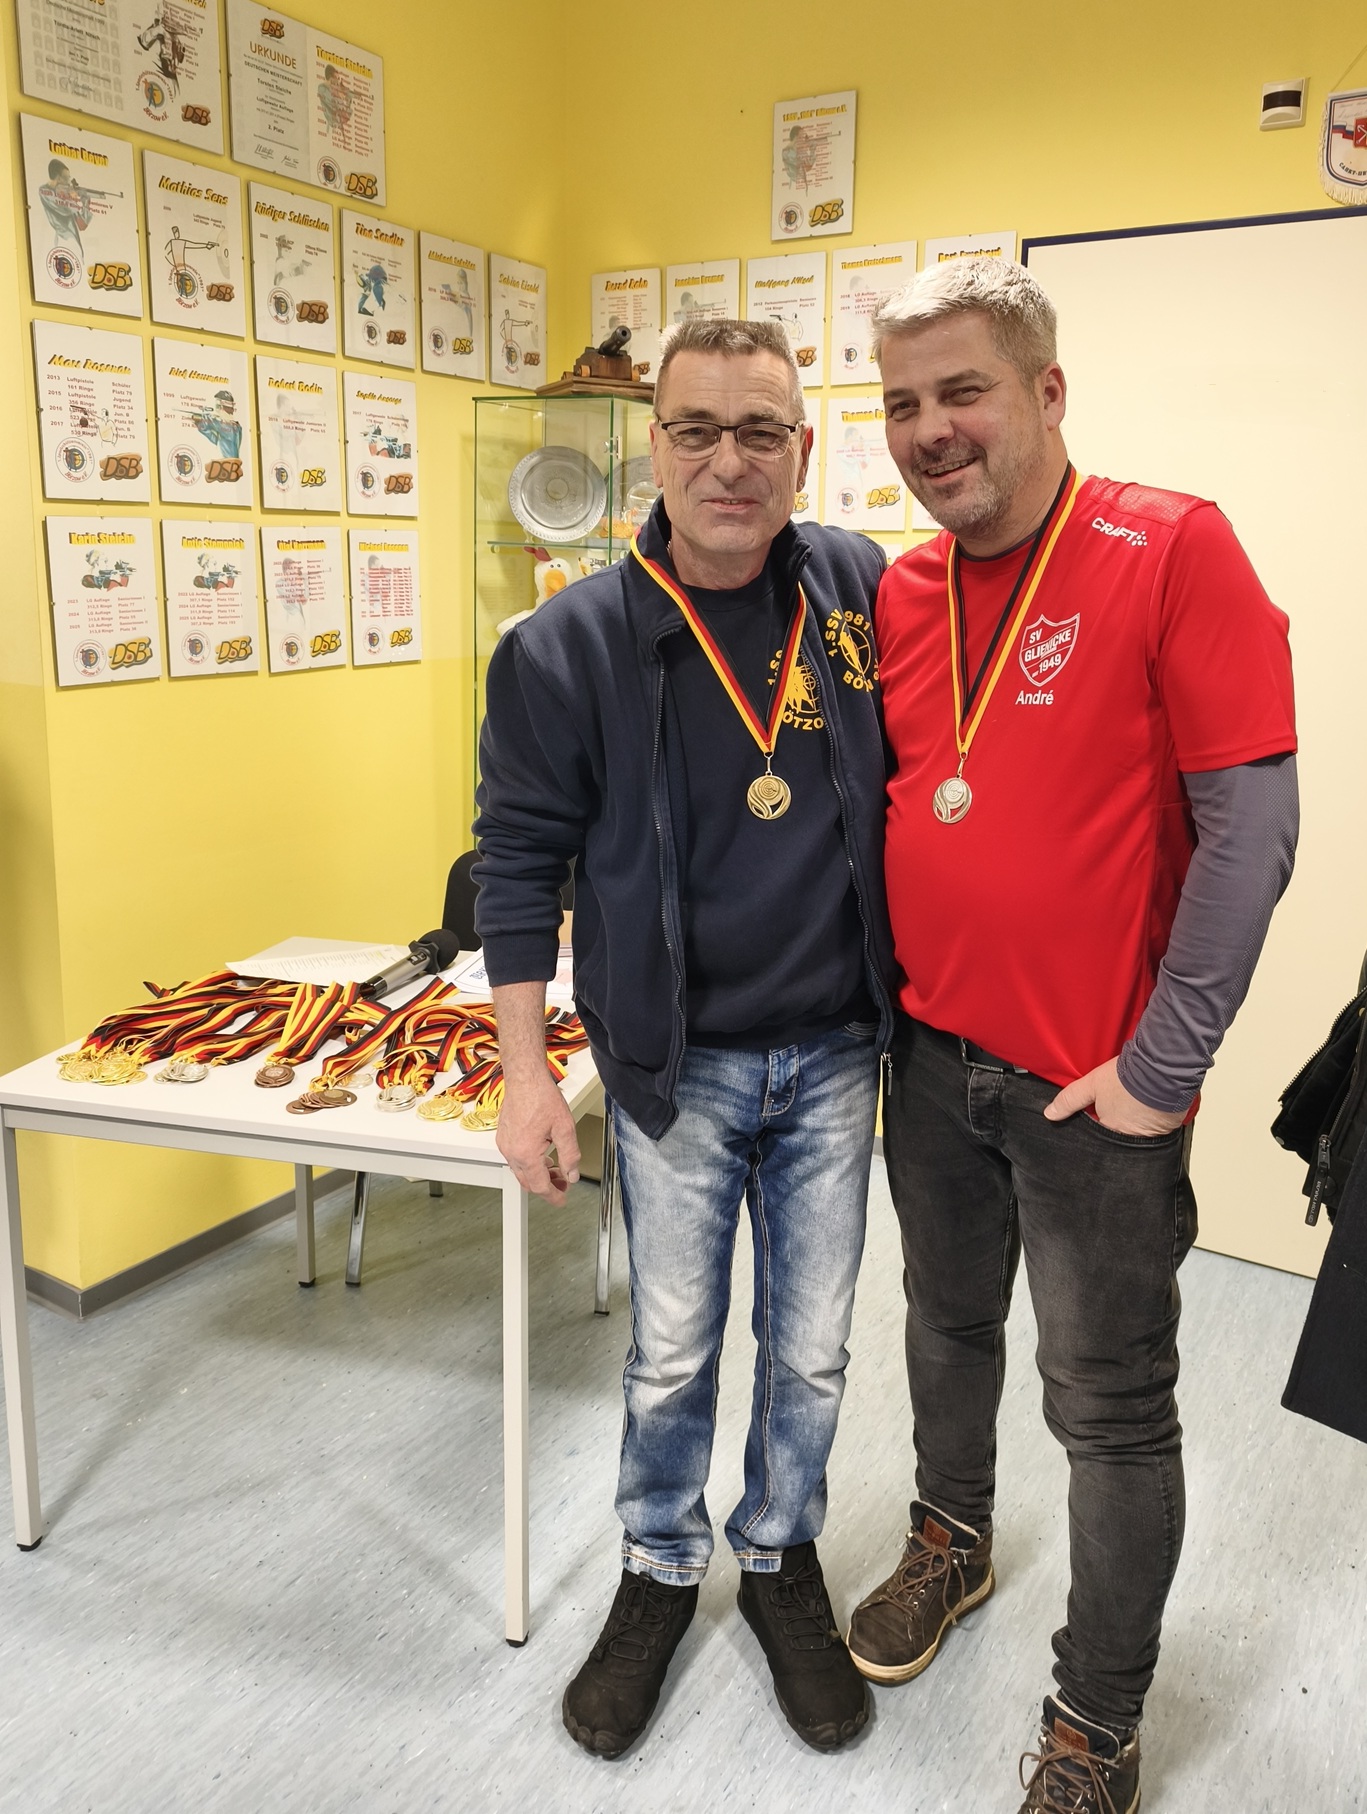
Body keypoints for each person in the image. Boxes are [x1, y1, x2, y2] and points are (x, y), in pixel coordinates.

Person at [846, 258, 1297, 1814]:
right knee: (943, 1330)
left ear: (1046, 390)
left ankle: (1094, 1719)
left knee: (1107, 1410)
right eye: (902, 401)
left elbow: (1252, 830)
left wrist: (1165, 1070)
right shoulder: (902, 593)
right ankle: (952, 1539)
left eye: (963, 389)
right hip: (932, 1063)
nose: (930, 428)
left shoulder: (1172, 546)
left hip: (1094, 1094)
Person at [473, 317, 894, 1760]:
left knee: (814, 1349)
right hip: (676, 1067)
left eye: (761, 430)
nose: (730, 460)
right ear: (653, 446)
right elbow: (517, 868)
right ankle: (660, 1565)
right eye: (698, 429)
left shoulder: (856, 588)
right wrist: (531, 1078)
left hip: (836, 1055)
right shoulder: (568, 644)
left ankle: (777, 1551)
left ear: (802, 448)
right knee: (668, 1351)